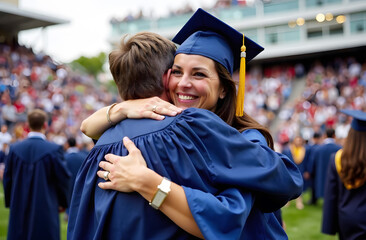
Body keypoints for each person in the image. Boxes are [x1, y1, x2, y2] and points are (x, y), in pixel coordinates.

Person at [69, 9, 302, 240]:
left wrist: (148, 182)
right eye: (177, 72)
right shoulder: (168, 133)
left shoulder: (245, 138)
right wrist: (120, 108)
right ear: (165, 77)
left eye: (199, 74)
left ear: (223, 88)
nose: (183, 84)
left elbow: (233, 214)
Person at [3, 109, 71, 240]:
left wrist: (11, 201)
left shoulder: (15, 149)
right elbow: (63, 178)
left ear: (27, 126)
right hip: (46, 204)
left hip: (19, 202)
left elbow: (7, 178)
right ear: (45, 125)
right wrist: (63, 202)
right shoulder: (53, 150)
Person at [322, 109, 366, 240]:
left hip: (346, 218)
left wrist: (329, 226)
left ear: (350, 134)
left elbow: (331, 196)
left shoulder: (337, 159)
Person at [308, 128, 341, 204]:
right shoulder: (339, 148)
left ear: (325, 135)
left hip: (320, 173)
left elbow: (312, 162)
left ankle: (314, 200)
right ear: (334, 135)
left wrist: (310, 171)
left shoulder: (318, 149)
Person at [282, 135, 310, 209]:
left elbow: (307, 161)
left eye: (300, 140)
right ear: (294, 141)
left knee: (300, 187)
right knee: (289, 186)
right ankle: (287, 201)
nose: (298, 142)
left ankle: (299, 202)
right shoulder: (287, 150)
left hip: (301, 170)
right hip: (290, 171)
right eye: (297, 140)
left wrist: (307, 171)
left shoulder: (305, 150)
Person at [63, 136, 85, 221]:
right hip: (80, 181)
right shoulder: (83, 156)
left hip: (68, 182)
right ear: (76, 144)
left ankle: (68, 214)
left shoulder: (64, 157)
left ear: (67, 145)